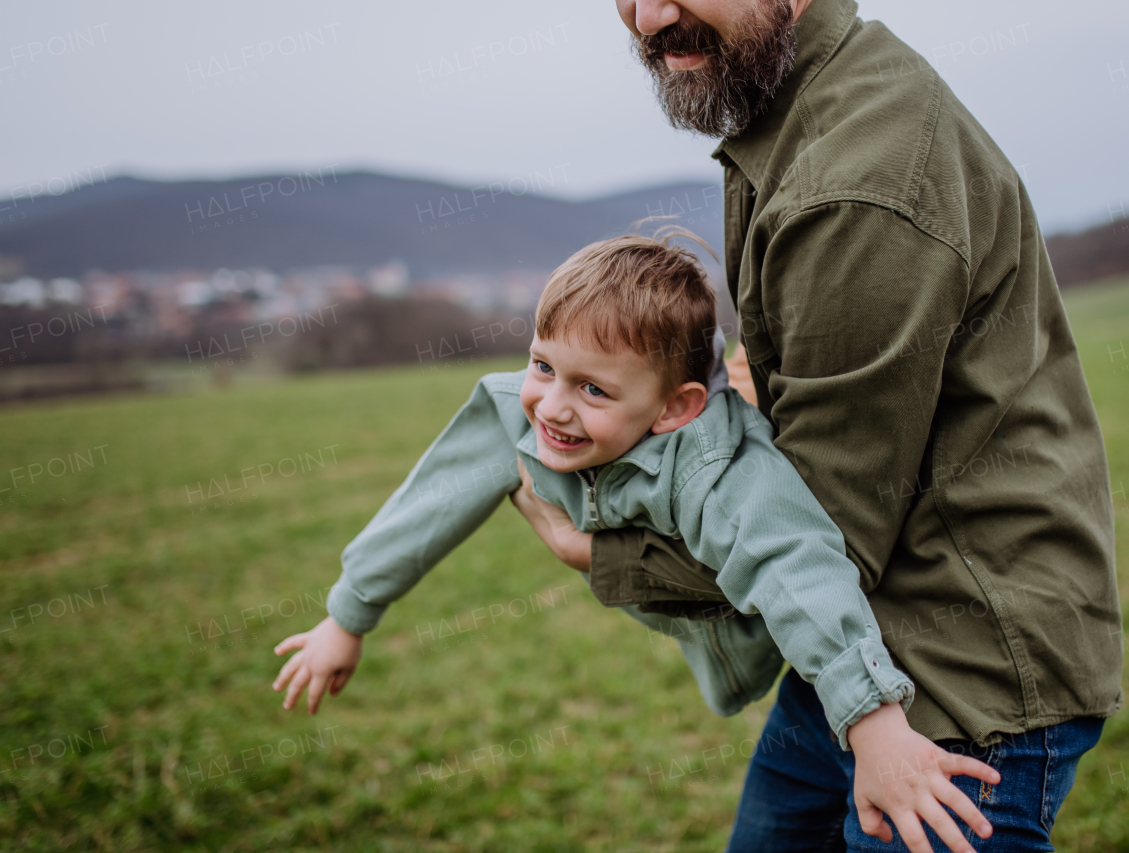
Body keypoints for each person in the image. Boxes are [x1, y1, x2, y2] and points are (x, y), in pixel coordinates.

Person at [506, 1, 1125, 851]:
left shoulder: (854, 184)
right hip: (854, 646)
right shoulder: (800, 103)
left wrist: (604, 552)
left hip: (962, 673)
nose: (648, 17)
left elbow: (820, 530)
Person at [271, 231, 996, 821]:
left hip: (813, 641)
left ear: (676, 407)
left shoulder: (721, 469)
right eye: (542, 364)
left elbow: (794, 565)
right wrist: (349, 613)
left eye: (591, 388)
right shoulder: (510, 412)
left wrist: (874, 724)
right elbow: (431, 499)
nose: (552, 406)